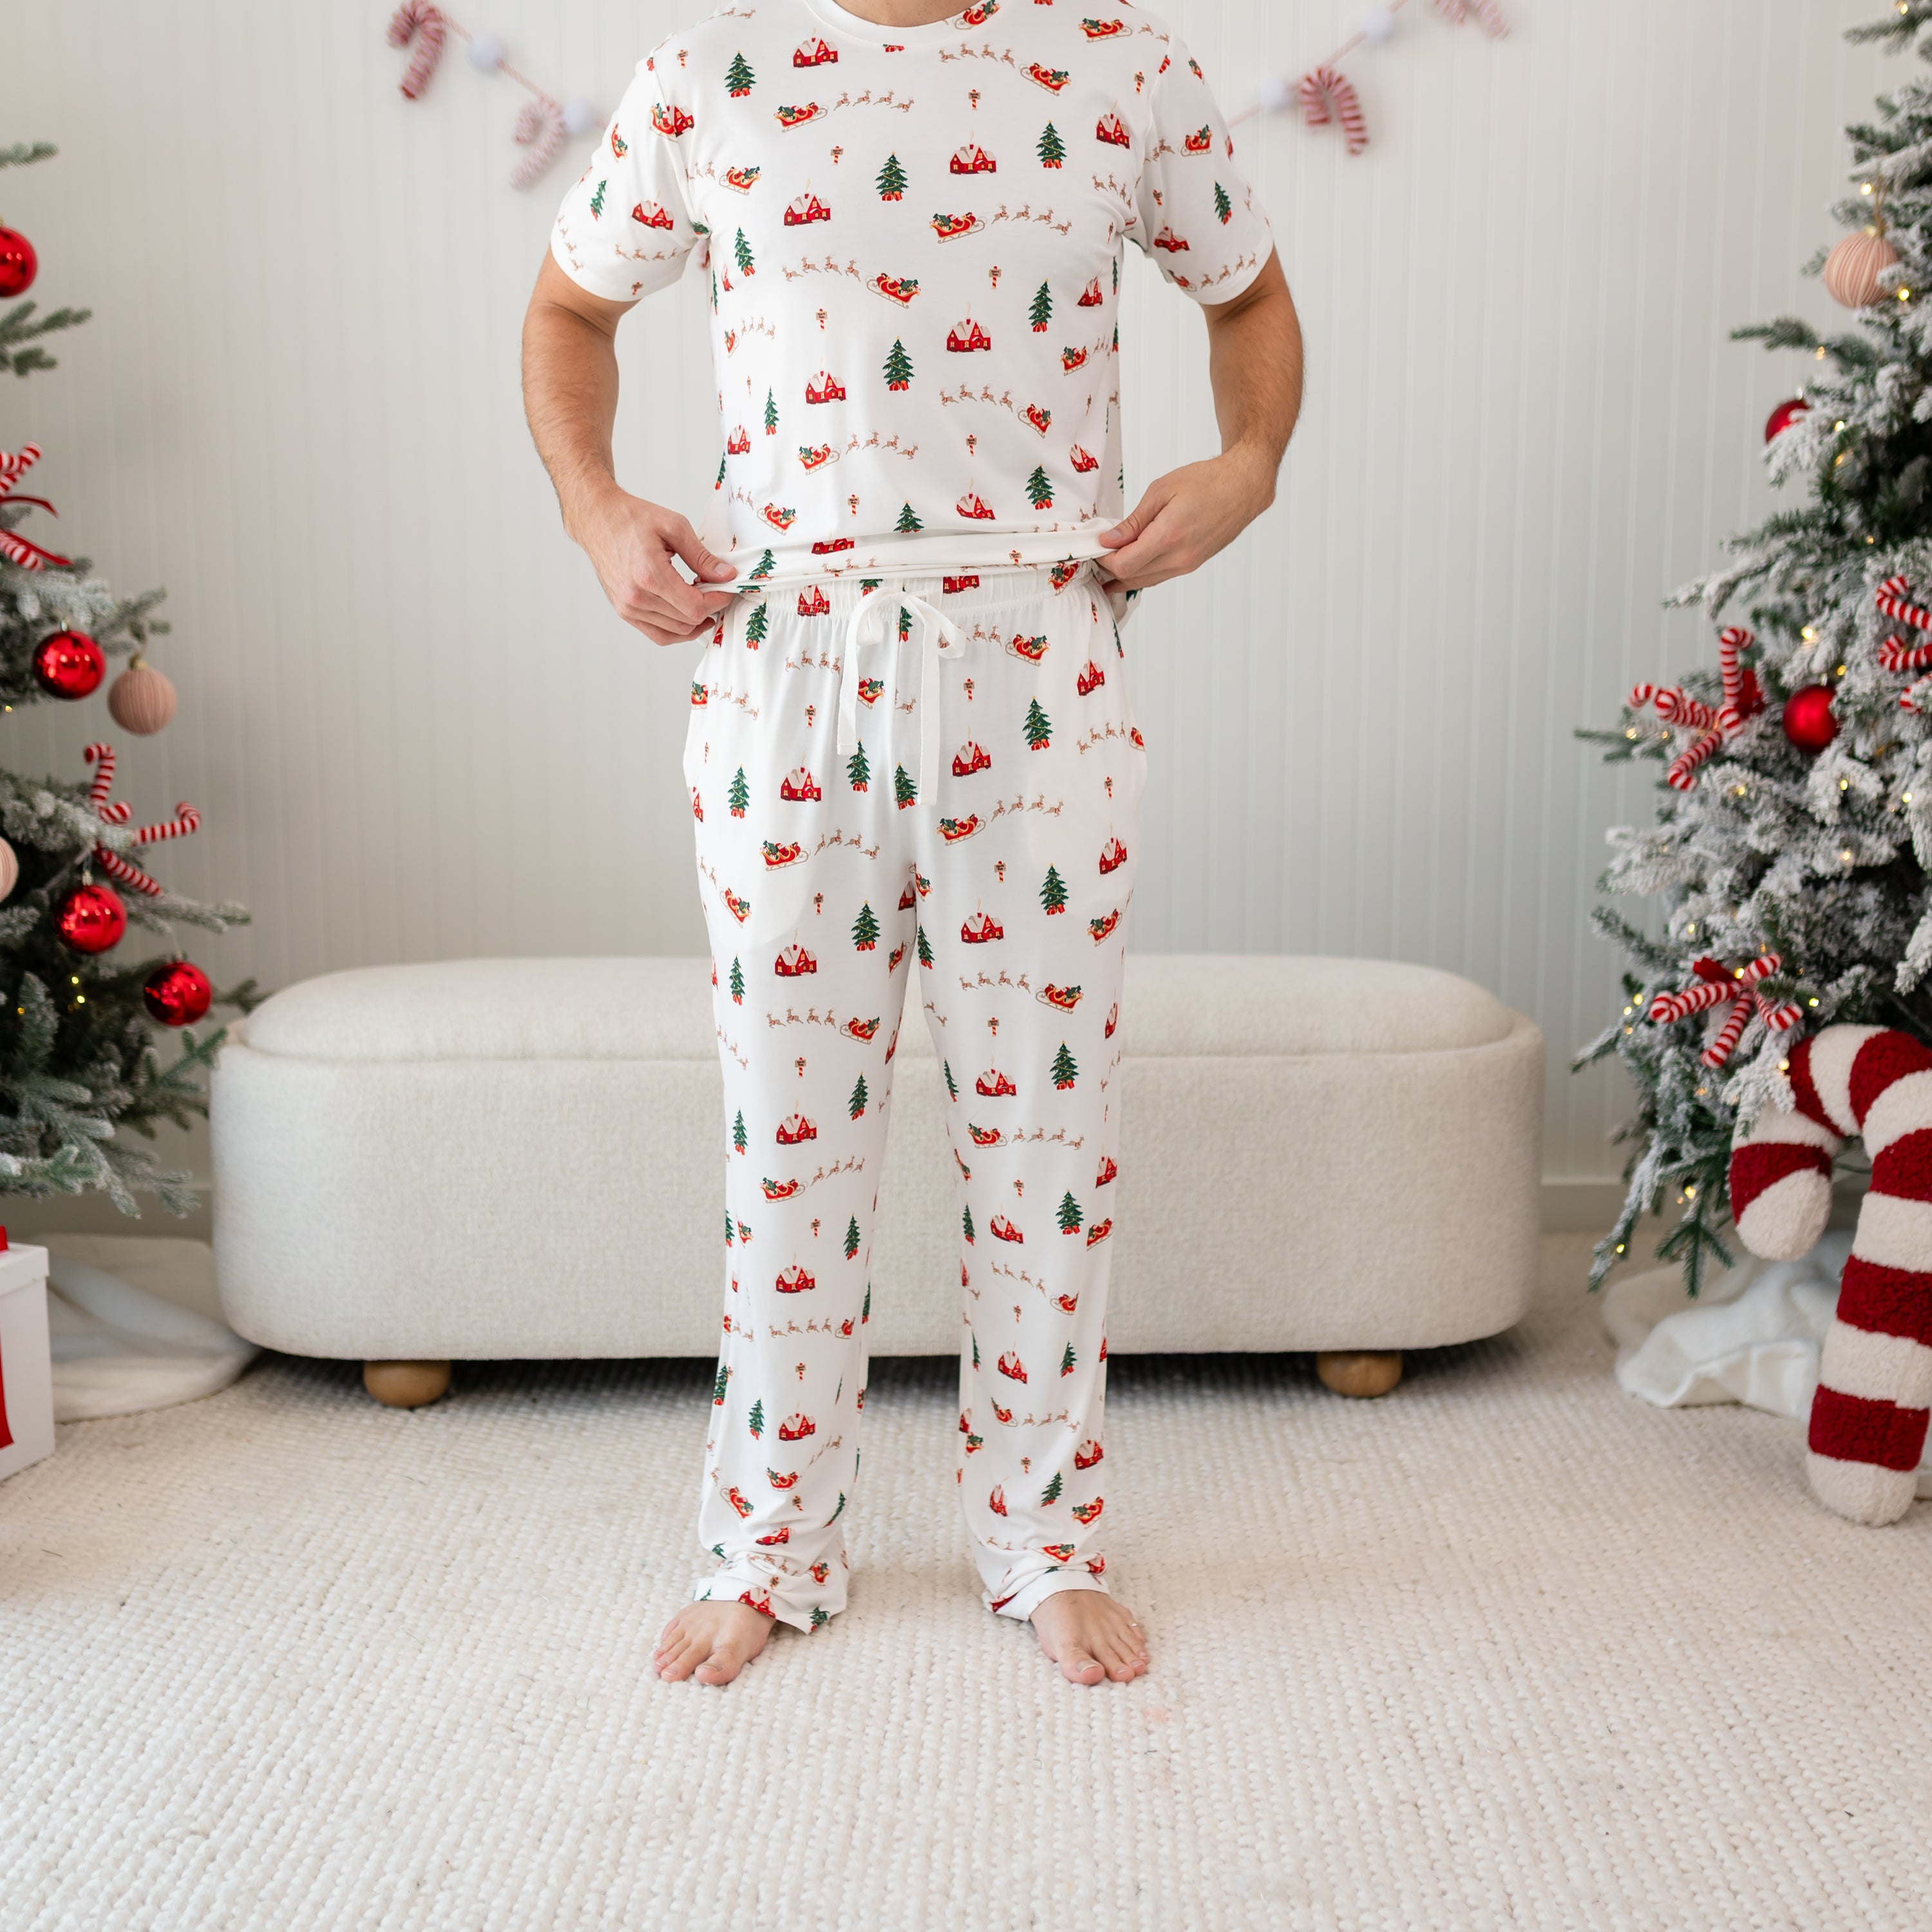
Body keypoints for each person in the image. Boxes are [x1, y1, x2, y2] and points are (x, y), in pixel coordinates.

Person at [522, 0, 1302, 1689]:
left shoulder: (1122, 61)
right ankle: (770, 1539)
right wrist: (600, 512)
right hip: (788, 652)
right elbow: (569, 311)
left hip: (1043, 638)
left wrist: (1249, 466)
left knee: (1049, 1134)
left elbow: (1249, 299)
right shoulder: (708, 73)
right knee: (788, 1138)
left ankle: (1041, 1537)